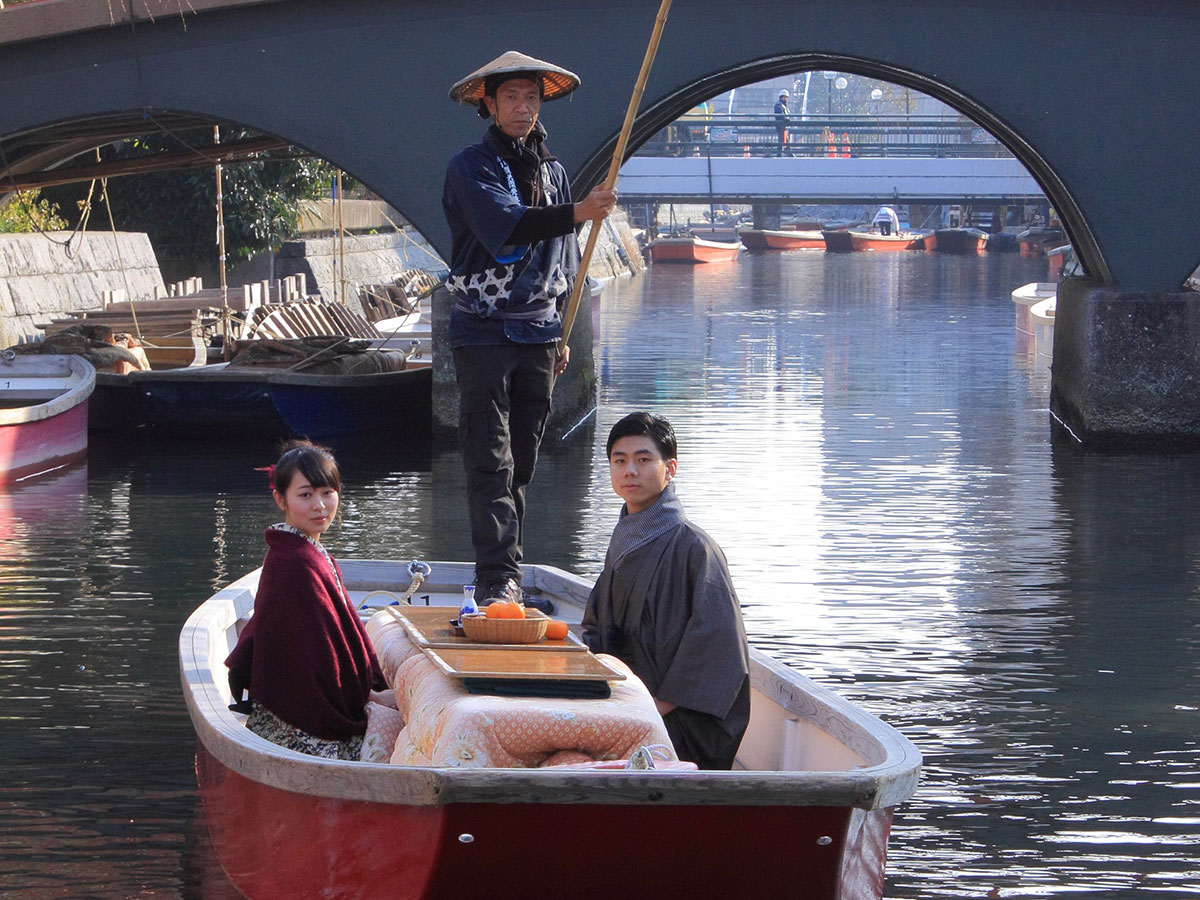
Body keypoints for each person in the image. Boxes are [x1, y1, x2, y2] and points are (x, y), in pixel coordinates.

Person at [443, 51, 617, 605]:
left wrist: (563, 331)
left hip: (540, 332)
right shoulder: (471, 167)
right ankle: (497, 578)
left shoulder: (556, 172)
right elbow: (507, 230)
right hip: (484, 330)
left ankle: (506, 569)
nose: (523, 108)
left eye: (532, 98)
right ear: (490, 105)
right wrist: (580, 212)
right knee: (489, 458)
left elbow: (565, 262)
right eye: (512, 98)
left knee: (521, 458)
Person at [581, 413, 751, 770]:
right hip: (629, 698)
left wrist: (655, 706)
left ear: (670, 468)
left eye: (644, 460)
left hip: (681, 719)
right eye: (619, 460)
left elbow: (718, 646)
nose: (630, 471)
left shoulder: (695, 548)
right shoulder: (626, 540)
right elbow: (598, 625)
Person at [225, 441, 386, 760]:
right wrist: (366, 698)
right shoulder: (297, 561)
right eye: (305, 495)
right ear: (280, 499)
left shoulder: (302, 550)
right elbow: (316, 657)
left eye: (328, 492)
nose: (320, 505)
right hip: (305, 728)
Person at [773, 89, 790, 156]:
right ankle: (779, 154)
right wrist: (785, 119)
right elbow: (780, 116)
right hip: (780, 126)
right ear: (781, 97)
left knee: (785, 141)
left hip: (784, 127)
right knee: (781, 141)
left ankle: (789, 154)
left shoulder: (784, 106)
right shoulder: (778, 105)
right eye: (784, 97)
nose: (786, 99)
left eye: (786, 97)